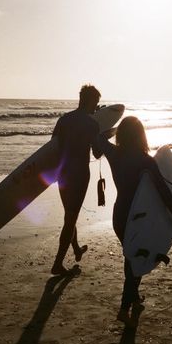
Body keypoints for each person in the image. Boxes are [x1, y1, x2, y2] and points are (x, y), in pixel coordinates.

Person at [95, 116, 172, 327]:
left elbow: (96, 139)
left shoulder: (115, 154)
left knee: (134, 254)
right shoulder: (146, 161)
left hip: (120, 215)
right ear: (141, 134)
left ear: (122, 135)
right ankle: (124, 308)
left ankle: (133, 299)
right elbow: (163, 191)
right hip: (140, 216)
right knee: (136, 257)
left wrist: (108, 129)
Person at [51, 84, 103, 276]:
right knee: (71, 217)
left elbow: (53, 147)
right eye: (95, 103)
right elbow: (97, 153)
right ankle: (57, 264)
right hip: (80, 175)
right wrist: (104, 133)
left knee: (69, 214)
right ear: (89, 100)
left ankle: (76, 248)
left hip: (62, 174)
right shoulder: (92, 125)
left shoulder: (64, 119)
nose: (96, 107)